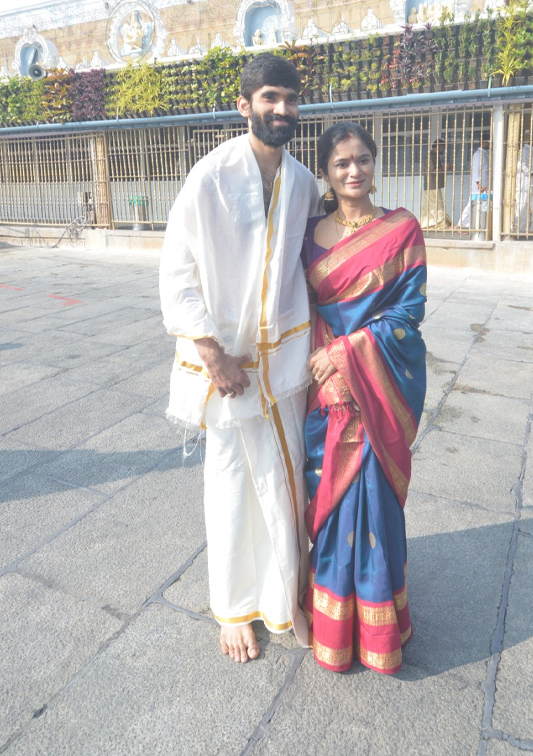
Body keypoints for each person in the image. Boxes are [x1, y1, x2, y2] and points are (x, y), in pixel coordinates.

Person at [159, 54, 319, 663]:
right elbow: (178, 272)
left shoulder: (303, 181)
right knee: (231, 485)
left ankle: (284, 599)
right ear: (244, 104)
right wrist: (212, 354)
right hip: (228, 368)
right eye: (271, 97)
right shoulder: (211, 176)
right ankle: (231, 608)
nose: (282, 109)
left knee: (284, 483)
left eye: (291, 98)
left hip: (285, 366)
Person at [301, 121, 427, 674]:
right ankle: (332, 626)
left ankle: (378, 631)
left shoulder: (401, 229)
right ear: (326, 173)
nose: (354, 171)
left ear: (376, 164)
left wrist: (347, 353)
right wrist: (322, 363)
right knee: (330, 505)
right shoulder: (308, 234)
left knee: (374, 503)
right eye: (341, 164)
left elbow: (408, 314)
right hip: (326, 390)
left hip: (374, 384)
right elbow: (297, 309)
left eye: (363, 160)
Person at [457, 136, 490, 229]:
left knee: (482, 205)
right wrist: (479, 185)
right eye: (488, 141)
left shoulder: (485, 154)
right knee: (472, 204)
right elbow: (476, 171)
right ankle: (460, 225)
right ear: (483, 142)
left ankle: (480, 226)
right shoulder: (478, 155)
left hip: (485, 185)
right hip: (479, 185)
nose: (490, 143)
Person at [420, 136, 452, 230]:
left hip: (434, 185)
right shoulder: (430, 156)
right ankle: (436, 224)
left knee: (434, 205)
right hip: (431, 185)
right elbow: (432, 171)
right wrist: (444, 167)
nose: (443, 150)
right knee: (435, 206)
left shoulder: (435, 156)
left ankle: (432, 223)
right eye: (442, 148)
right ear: (436, 146)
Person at [515, 131, 533, 234]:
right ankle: (519, 229)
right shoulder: (525, 150)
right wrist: (532, 173)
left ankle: (531, 229)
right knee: (522, 206)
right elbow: (520, 165)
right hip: (525, 183)